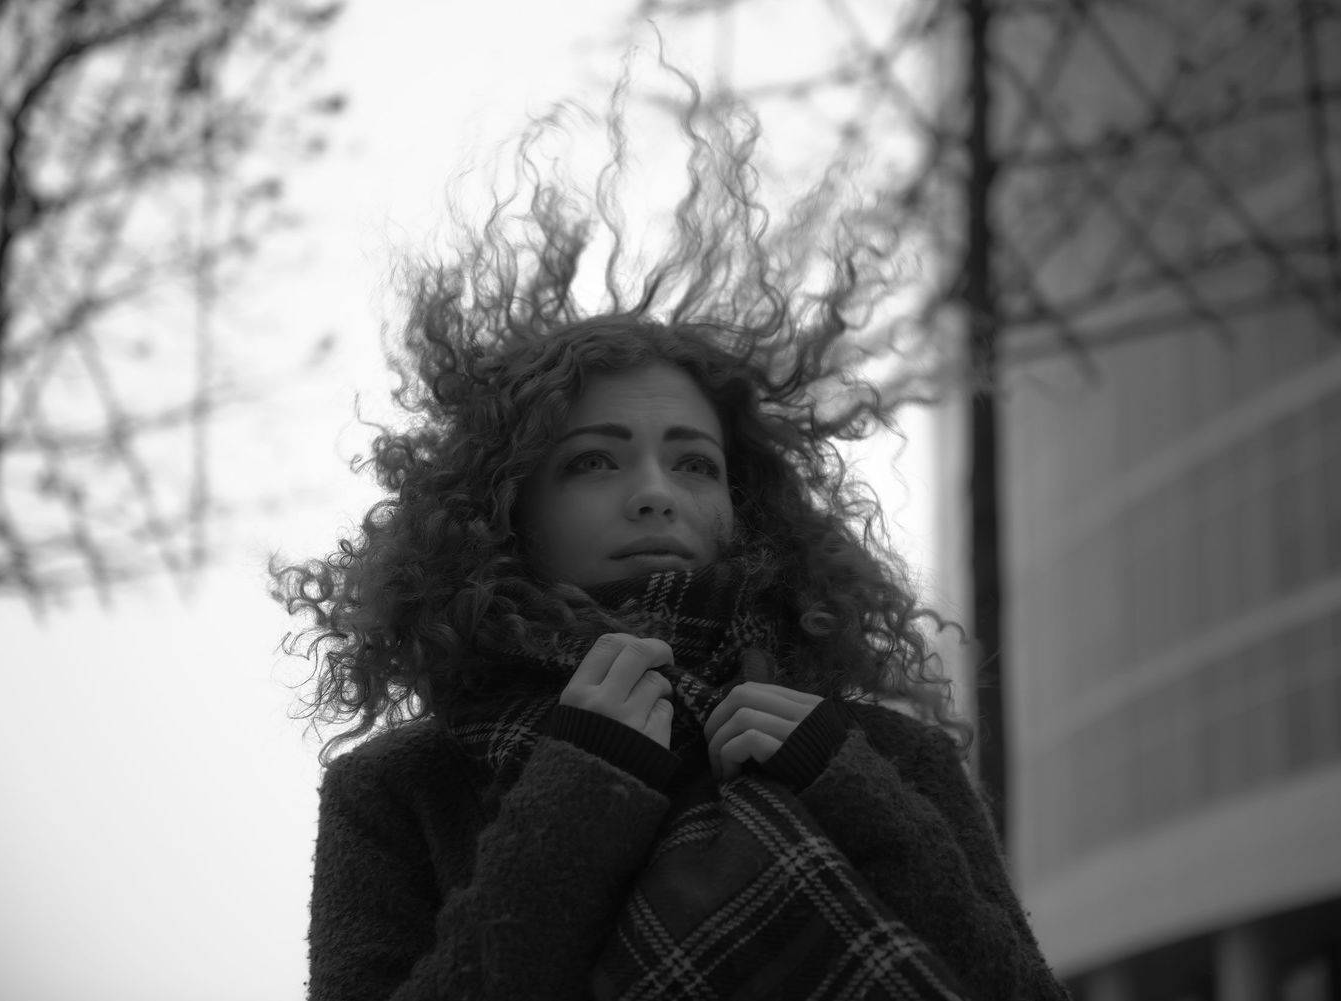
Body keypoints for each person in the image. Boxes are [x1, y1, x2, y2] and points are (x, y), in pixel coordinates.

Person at [274, 64, 1069, 1001]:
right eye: (593, 461)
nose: (656, 494)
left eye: (694, 463)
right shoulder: (401, 787)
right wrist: (583, 786)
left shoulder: (884, 756)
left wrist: (845, 786)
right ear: (506, 506)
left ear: (745, 504)